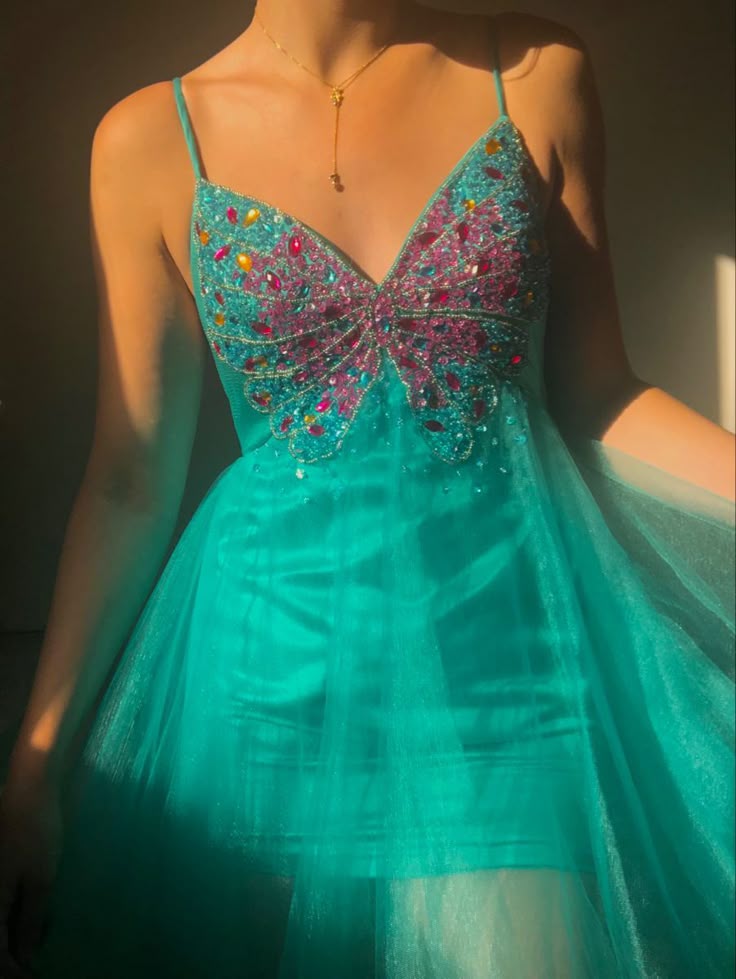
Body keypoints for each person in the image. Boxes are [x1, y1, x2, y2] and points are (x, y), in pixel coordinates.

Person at [0, 2, 734, 977]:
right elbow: (131, 478)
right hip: (268, 689)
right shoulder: (149, 139)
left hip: (503, 679)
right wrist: (38, 759)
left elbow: (599, 393)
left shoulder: (534, 75)